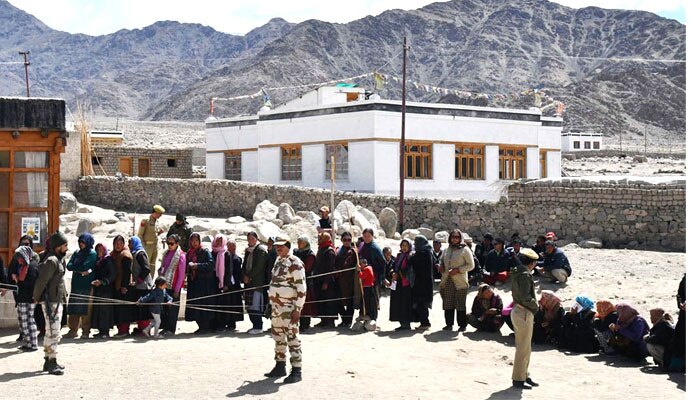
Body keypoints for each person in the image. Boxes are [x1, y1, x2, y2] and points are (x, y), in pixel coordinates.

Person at [264, 234, 307, 384]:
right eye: (276, 246)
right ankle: (280, 365)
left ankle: (296, 369)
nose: (278, 248)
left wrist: (298, 309)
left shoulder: (295, 263)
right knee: (278, 337)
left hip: (289, 308)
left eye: (281, 246)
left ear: (288, 246)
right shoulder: (278, 261)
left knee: (292, 338)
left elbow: (301, 288)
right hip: (277, 308)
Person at [33, 231, 69, 375]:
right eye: (64, 245)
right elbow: (42, 281)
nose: (67, 248)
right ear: (57, 246)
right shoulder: (51, 261)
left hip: (57, 300)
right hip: (50, 302)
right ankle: (51, 361)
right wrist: (36, 297)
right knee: (53, 332)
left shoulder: (59, 260)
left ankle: (50, 360)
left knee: (52, 331)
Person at [510, 248, 540, 390]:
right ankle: (518, 379)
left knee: (525, 347)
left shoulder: (518, 272)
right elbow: (526, 298)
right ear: (531, 263)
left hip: (519, 311)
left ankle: (524, 375)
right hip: (523, 312)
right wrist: (536, 307)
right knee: (523, 348)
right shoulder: (524, 275)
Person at [438, 229, 474, 332]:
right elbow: (442, 259)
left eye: (457, 237)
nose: (455, 239)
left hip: (460, 281)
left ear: (460, 238)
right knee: (448, 302)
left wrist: (458, 270)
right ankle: (449, 324)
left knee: (460, 303)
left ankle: (462, 325)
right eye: (453, 237)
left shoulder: (465, 250)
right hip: (447, 280)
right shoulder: (447, 249)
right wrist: (441, 265)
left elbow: (471, 265)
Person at [66, 233, 97, 339]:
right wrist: (79, 269)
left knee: (86, 310)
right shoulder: (77, 252)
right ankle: (73, 330)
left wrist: (77, 267)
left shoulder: (92, 254)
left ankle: (85, 331)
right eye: (80, 242)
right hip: (76, 285)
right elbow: (69, 266)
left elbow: (86, 266)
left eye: (83, 242)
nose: (81, 244)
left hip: (87, 286)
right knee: (74, 309)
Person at [184, 233, 216, 334]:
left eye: (196, 241)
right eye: (192, 241)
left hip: (204, 283)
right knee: (194, 304)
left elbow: (211, 264)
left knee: (203, 304)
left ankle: (205, 327)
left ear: (199, 241)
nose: (194, 243)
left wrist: (197, 266)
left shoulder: (205, 251)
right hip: (194, 283)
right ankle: (201, 326)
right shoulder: (189, 253)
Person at [158, 234, 187, 336]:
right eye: (168, 243)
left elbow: (181, 274)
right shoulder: (166, 253)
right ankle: (165, 327)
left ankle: (171, 329)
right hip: (164, 285)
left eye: (171, 243)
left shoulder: (181, 255)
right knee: (165, 308)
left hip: (174, 286)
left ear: (177, 243)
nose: (169, 245)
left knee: (172, 309)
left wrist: (177, 289)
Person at [111, 235, 138, 338]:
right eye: (115, 244)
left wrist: (124, 286)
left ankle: (124, 331)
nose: (117, 246)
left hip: (123, 287)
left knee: (123, 310)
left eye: (119, 243)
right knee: (119, 309)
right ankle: (121, 330)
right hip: (117, 285)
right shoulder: (115, 254)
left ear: (123, 244)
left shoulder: (125, 255)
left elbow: (127, 272)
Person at [14, 245, 40, 351]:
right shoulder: (26, 266)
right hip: (25, 298)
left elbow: (30, 283)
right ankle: (29, 343)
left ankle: (32, 344)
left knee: (27, 321)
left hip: (27, 298)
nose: (19, 260)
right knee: (26, 321)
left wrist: (18, 281)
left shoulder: (31, 266)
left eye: (20, 257)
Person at [243, 232, 269, 334]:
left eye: (252, 238)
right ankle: (254, 325)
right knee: (249, 306)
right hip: (248, 283)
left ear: (256, 239)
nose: (250, 240)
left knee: (255, 305)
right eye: (248, 238)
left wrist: (249, 276)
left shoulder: (260, 250)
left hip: (256, 283)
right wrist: (244, 276)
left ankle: (258, 326)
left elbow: (259, 267)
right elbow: (244, 265)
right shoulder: (248, 251)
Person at [129, 236, 155, 335]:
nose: (129, 245)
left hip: (144, 286)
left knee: (144, 308)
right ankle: (141, 328)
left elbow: (146, 269)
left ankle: (145, 328)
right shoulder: (135, 253)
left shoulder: (140, 254)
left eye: (130, 243)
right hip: (139, 286)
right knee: (139, 307)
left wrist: (138, 280)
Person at [90, 243, 116, 339]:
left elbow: (112, 275)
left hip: (106, 289)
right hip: (99, 289)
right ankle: (101, 331)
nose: (99, 252)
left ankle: (105, 331)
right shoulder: (98, 261)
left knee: (105, 310)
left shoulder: (108, 260)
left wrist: (102, 282)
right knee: (99, 309)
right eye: (98, 250)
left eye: (101, 250)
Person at [211, 234, 236, 332]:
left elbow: (229, 270)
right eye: (217, 241)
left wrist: (225, 284)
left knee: (224, 304)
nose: (218, 243)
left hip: (223, 283)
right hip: (214, 282)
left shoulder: (226, 254)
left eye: (220, 241)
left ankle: (223, 325)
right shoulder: (212, 252)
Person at [313, 232, 338, 328]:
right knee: (321, 300)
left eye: (321, 238)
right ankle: (323, 320)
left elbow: (330, 268)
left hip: (327, 281)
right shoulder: (321, 249)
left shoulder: (329, 251)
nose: (319, 240)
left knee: (329, 301)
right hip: (319, 279)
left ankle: (330, 321)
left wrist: (326, 282)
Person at [388, 239, 414, 331]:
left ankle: (406, 323)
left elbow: (410, 269)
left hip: (406, 284)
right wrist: (392, 273)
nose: (404, 247)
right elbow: (393, 266)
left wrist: (399, 273)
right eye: (402, 245)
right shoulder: (399, 256)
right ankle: (402, 323)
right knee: (398, 303)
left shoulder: (411, 256)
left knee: (405, 304)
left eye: (406, 245)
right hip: (398, 283)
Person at [221, 237, 245, 331]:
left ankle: (232, 324)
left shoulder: (237, 259)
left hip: (235, 286)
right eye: (230, 246)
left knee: (233, 304)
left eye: (233, 246)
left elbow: (238, 273)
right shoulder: (225, 257)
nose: (232, 248)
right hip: (227, 284)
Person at [335, 232, 359, 328]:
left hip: (349, 280)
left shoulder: (353, 252)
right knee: (339, 300)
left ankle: (348, 321)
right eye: (345, 240)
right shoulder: (339, 250)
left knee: (349, 301)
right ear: (341, 240)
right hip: (339, 279)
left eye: (349, 240)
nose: (347, 242)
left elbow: (347, 264)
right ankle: (344, 320)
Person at [411, 235, 434, 330]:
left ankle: (425, 323)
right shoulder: (427, 253)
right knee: (422, 304)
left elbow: (414, 262)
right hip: (425, 283)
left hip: (422, 284)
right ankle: (423, 322)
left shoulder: (423, 254)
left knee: (422, 304)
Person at [295, 235, 317, 331]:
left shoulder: (310, 255)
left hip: (306, 281)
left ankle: (305, 324)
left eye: (301, 243)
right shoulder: (296, 253)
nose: (299, 245)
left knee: (306, 304)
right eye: (298, 242)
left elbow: (307, 268)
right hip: (296, 281)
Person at [138, 204, 166, 277]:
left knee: (152, 265)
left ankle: (150, 280)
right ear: (155, 212)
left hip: (155, 246)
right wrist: (144, 246)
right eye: (159, 214)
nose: (160, 216)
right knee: (145, 264)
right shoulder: (146, 221)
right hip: (147, 246)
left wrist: (159, 233)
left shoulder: (156, 222)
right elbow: (140, 234)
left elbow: (154, 234)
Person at [358, 228, 386, 296]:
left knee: (373, 299)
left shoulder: (375, 248)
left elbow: (383, 262)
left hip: (373, 277)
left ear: (372, 236)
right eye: (365, 236)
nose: (366, 238)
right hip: (363, 275)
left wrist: (382, 277)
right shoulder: (361, 245)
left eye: (368, 236)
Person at [668, 274, 685, 372]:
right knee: (679, 340)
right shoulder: (686, 279)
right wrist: (681, 304)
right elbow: (680, 295)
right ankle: (677, 366)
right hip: (684, 316)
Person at [356, 258, 378, 329]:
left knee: (368, 302)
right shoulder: (369, 267)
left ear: (363, 264)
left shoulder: (367, 269)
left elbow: (362, 276)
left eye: (361, 264)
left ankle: (369, 315)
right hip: (367, 287)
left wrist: (359, 271)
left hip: (368, 288)